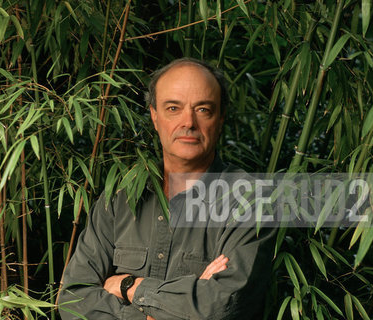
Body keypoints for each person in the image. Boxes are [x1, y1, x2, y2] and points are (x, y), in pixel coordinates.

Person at [58, 58, 274, 319]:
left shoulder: (249, 200)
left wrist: (129, 287)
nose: (188, 122)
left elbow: (222, 307)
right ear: (154, 116)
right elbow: (72, 298)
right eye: (173, 108)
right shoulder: (120, 196)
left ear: (220, 118)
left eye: (203, 109)